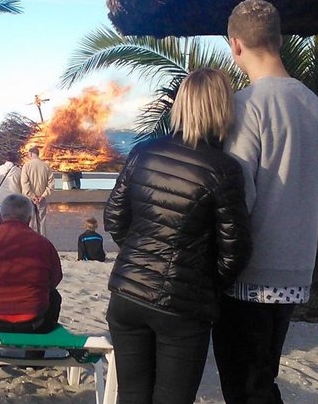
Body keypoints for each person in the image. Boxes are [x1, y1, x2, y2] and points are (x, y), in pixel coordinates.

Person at [103, 68, 252, 404]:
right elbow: (235, 250)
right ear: (222, 108)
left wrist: (140, 256)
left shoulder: (143, 152)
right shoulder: (223, 169)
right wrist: (205, 282)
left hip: (128, 294)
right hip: (183, 305)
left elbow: (114, 218)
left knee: (131, 394)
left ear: (181, 104)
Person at [213, 0, 318, 404]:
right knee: (263, 377)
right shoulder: (317, 109)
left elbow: (236, 197)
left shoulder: (246, 106)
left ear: (235, 45)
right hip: (297, 267)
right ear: (279, 40)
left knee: (244, 386)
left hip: (249, 271)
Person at [0, 193, 63, 333]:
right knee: (54, 296)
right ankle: (38, 344)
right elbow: (54, 280)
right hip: (34, 322)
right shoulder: (44, 244)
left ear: (0, 216)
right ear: (29, 219)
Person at [20, 147, 53, 235]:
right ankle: (42, 239)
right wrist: (42, 196)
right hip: (42, 198)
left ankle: (30, 239)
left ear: (30, 154)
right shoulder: (46, 166)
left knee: (30, 221)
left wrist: (32, 196)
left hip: (29, 199)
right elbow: (51, 185)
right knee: (42, 221)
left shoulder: (26, 166)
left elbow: (24, 184)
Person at [0, 151, 22, 221]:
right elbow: (22, 186)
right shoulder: (19, 171)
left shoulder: (0, 168)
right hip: (14, 198)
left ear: (5, 159)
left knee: (2, 220)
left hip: (1, 198)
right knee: (14, 220)